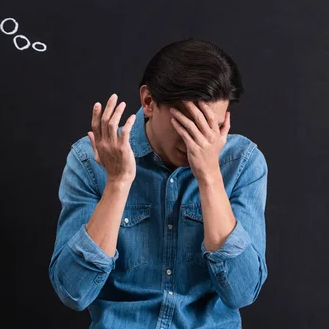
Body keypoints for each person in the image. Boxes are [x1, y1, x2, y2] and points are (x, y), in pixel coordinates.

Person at [48, 38, 268, 329]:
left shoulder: (242, 163)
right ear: (149, 102)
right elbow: (73, 292)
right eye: (190, 123)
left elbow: (242, 292)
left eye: (212, 127)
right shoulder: (91, 159)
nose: (198, 141)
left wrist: (210, 177)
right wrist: (117, 182)